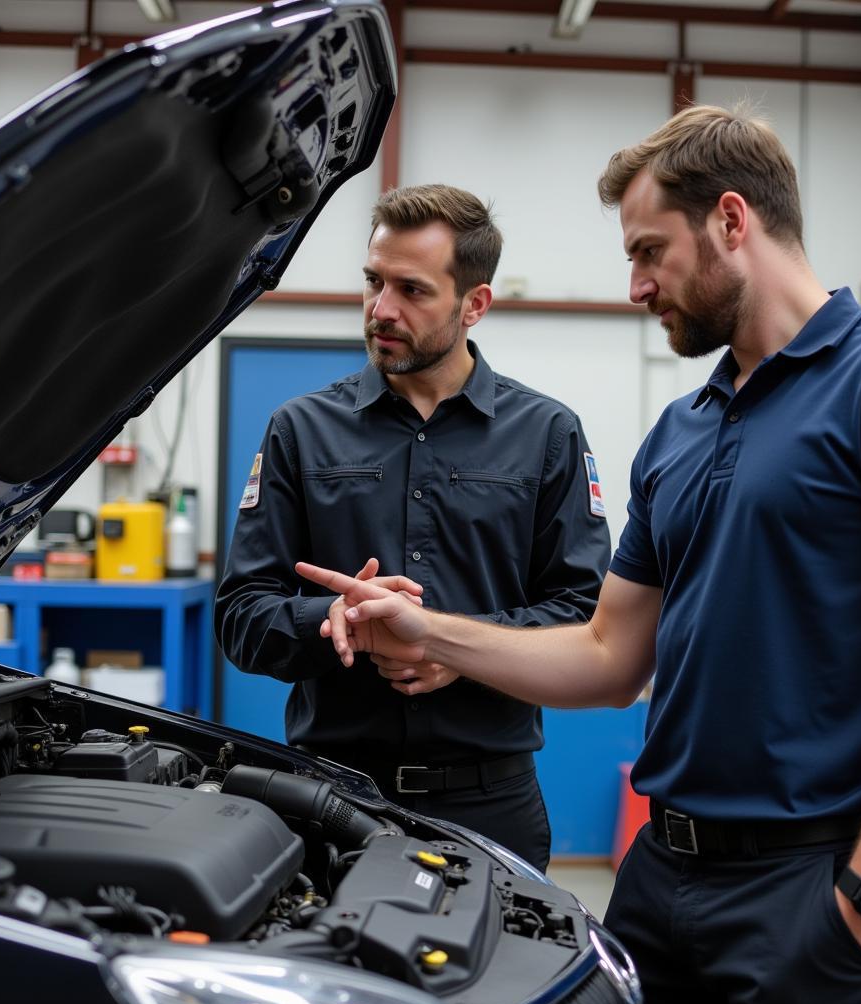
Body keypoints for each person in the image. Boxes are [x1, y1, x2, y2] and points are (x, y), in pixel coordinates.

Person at [295, 106, 861, 1004]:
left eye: (650, 252)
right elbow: (606, 655)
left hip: (812, 882)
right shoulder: (684, 430)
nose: (634, 285)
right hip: (662, 883)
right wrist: (432, 633)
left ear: (732, 221)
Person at [215, 183, 611, 872]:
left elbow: (584, 617)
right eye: (373, 282)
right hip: (333, 800)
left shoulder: (546, 435)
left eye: (412, 290)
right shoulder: (300, 431)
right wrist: (334, 620)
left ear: (474, 305)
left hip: (492, 808)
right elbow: (241, 618)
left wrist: (453, 648)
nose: (381, 310)